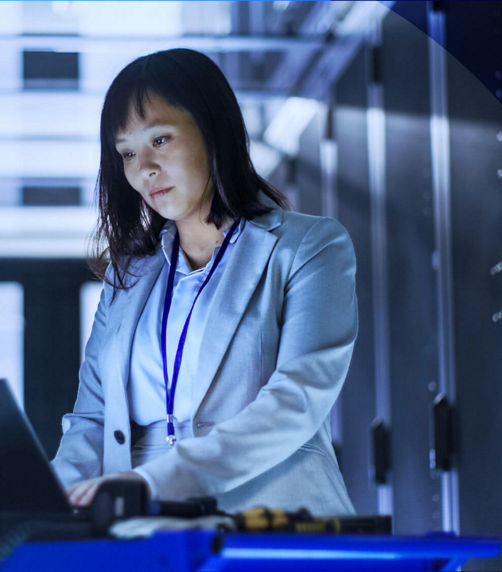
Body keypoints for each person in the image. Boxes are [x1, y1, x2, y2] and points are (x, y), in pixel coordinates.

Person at [48, 48, 359, 517]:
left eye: (160, 140)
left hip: (271, 522)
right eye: (128, 152)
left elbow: (295, 402)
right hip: (144, 531)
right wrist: (42, 500)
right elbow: (92, 420)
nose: (144, 169)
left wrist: (152, 482)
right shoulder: (127, 276)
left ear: (212, 131)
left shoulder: (310, 247)